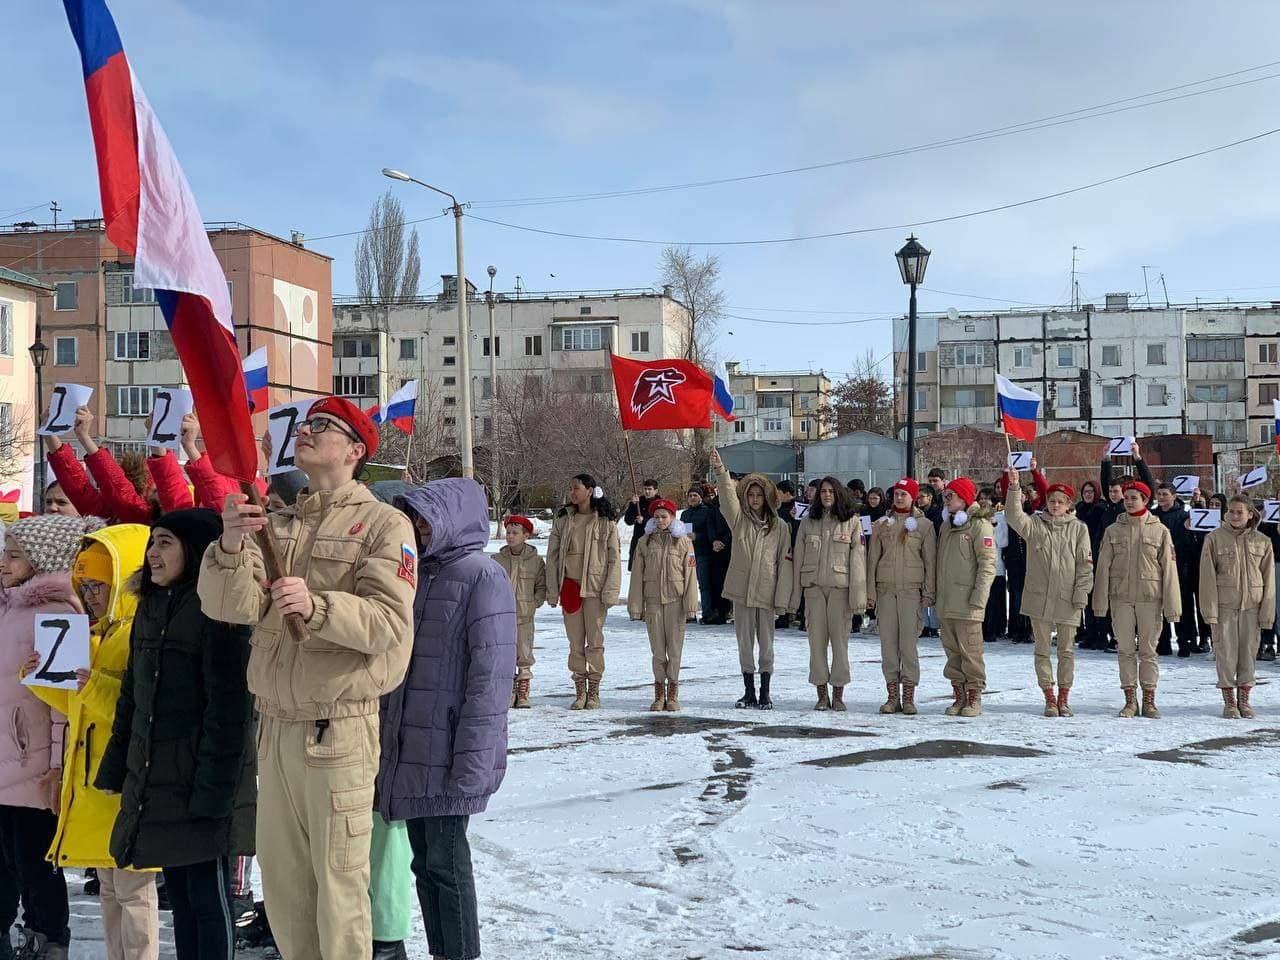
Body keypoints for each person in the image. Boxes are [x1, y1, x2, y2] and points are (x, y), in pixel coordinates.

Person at [198, 396, 416, 960]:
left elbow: (389, 623)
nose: (308, 431)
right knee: (287, 891)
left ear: (354, 450)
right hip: (275, 727)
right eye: (307, 423)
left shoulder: (384, 525)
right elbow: (230, 606)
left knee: (339, 890)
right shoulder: (275, 519)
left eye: (325, 426)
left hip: (337, 730)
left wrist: (318, 606)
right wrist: (228, 543)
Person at [95, 510, 255, 960]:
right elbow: (133, 697)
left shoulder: (218, 612)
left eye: (165, 543)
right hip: (158, 778)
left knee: (209, 899)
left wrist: (214, 794)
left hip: (204, 782)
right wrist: (118, 767)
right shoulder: (151, 606)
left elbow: (230, 712)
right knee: (181, 901)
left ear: (197, 549)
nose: (152, 555)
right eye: (151, 544)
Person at [375, 479, 516, 960]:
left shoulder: (482, 576)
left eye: (424, 519)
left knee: (448, 864)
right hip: (410, 747)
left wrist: (474, 759)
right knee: (424, 864)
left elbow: (491, 677)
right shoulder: (414, 574)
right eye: (412, 519)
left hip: (452, 750)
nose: (415, 529)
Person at [23, 524, 159, 960]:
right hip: (96, 782)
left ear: (125, 578)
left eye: (99, 584)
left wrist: (89, 684)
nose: (92, 594)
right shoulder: (101, 633)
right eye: (86, 585)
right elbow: (81, 703)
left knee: (134, 892)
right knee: (110, 890)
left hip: (125, 783)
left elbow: (137, 707)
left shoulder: (141, 633)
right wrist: (45, 679)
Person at [0, 515, 98, 960]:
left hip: (32, 760)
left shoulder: (59, 611)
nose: (4, 562)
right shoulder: (9, 604)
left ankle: (48, 936)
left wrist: (58, 766)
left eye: (14, 555)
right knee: (5, 855)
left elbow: (65, 703)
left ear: (41, 558)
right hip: (6, 756)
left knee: (34, 857)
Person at [1004, 471, 1093, 718]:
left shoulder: (1078, 529)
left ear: (1068, 505)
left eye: (1060, 502)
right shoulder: (1034, 525)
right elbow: (1013, 516)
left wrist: (1081, 594)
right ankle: (1049, 697)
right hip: (1038, 597)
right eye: (1052, 501)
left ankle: (1064, 697)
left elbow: (1085, 566)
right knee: (1042, 650)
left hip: (1068, 598)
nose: (1055, 505)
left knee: (1066, 651)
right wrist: (1014, 487)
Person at [710, 451, 790, 711]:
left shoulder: (780, 527)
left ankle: (765, 692)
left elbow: (784, 565)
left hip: (767, 593)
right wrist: (721, 471)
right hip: (742, 592)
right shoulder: (739, 521)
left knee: (766, 645)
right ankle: (749, 692)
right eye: (750, 495)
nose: (755, 500)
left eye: (759, 495)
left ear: (767, 497)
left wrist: (781, 600)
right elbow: (726, 499)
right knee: (745, 643)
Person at [1094, 481, 1181, 719]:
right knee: (1125, 650)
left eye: (1135, 498)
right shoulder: (1113, 530)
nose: (1129, 502)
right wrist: (1100, 603)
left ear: (1145, 500)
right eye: (1127, 498)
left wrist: (1173, 606)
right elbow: (1102, 568)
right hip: (1120, 598)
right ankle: (1130, 699)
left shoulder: (1160, 530)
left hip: (1149, 599)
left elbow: (1169, 570)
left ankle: (1149, 700)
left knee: (1148, 651)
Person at [545, 475, 621, 710]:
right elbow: (553, 556)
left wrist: (611, 590)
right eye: (570, 489)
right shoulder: (564, 520)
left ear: (589, 491)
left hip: (595, 589)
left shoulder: (605, 521)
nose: (572, 492)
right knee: (575, 642)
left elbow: (614, 558)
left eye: (576, 488)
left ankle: (594, 690)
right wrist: (552, 590)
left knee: (595, 641)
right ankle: (579, 690)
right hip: (570, 587)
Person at [791, 477, 865, 711]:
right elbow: (797, 560)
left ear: (839, 494)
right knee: (816, 644)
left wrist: (858, 597)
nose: (826, 495)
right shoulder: (807, 522)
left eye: (831, 491)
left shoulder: (851, 522)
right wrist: (794, 596)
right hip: (813, 589)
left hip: (839, 590)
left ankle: (839, 693)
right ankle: (822, 693)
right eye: (823, 491)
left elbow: (858, 561)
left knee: (840, 644)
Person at [1200, 496, 1275, 719]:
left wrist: (1267, 612)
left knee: (1248, 654)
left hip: (1252, 607)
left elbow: (1269, 580)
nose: (1234, 516)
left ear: (1250, 514)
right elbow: (1207, 578)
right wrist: (1209, 610)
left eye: (1239, 512)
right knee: (1226, 654)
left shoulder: (1263, 541)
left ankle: (1245, 698)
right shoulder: (1214, 539)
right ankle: (1229, 701)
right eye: (1231, 511)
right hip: (1225, 607)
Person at [866, 478, 936, 716]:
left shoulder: (924, 526)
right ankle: (892, 695)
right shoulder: (881, 525)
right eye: (896, 494)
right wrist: (870, 592)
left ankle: (908, 696)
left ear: (913, 497)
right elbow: (872, 560)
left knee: (908, 645)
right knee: (888, 646)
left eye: (904, 494)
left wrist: (929, 592)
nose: (899, 498)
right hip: (886, 591)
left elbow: (930, 562)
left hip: (910, 593)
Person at [628, 498, 698, 711]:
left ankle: (673, 694)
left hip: (676, 602)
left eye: (664, 517)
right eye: (656, 517)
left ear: (672, 517)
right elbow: (637, 576)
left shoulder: (684, 541)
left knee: (675, 650)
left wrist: (691, 605)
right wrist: (636, 606)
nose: (660, 520)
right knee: (658, 652)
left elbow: (690, 574)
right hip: (653, 603)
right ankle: (659, 694)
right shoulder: (645, 542)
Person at [935, 478, 997, 718]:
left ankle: (974, 697)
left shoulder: (979, 525)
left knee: (971, 652)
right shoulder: (946, 526)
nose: (946, 499)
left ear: (963, 498)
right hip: (947, 602)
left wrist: (979, 598)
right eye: (946, 496)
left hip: (968, 603)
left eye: (951, 495)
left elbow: (988, 565)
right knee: (953, 653)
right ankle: (958, 695)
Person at [495, 515, 547, 709]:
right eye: (508, 532)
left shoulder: (535, 561)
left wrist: (535, 602)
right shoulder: (497, 560)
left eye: (515, 533)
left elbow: (541, 586)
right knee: (505, 653)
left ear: (526, 535)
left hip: (525, 615)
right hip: (502, 616)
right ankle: (509, 689)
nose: (510, 536)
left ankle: (523, 688)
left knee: (524, 653)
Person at [1151, 482, 1195, 657]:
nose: (1161, 498)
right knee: (1159, 604)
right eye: (1159, 494)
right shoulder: (1153, 516)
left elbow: (1189, 540)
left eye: (1165, 494)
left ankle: (1184, 642)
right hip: (1156, 565)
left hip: (1179, 565)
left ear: (1174, 496)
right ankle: (1163, 643)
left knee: (1180, 604)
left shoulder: (1184, 515)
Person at [680, 486, 730, 625]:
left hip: (703, 553)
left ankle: (708, 612)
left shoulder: (707, 512)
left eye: (695, 495)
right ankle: (689, 612)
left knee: (704, 584)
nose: (692, 498)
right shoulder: (685, 514)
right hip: (688, 553)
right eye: (690, 496)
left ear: (701, 497)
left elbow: (710, 531)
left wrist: (698, 536)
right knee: (688, 583)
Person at [980, 487, 1008, 643]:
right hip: (979, 566)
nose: (984, 501)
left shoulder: (1000, 517)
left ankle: (995, 629)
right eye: (981, 498)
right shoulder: (974, 517)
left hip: (996, 567)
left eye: (987, 498)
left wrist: (995, 524)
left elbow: (1003, 541)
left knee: (995, 602)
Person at [623, 480, 661, 570]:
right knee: (637, 571)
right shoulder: (638, 502)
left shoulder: (660, 504)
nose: (647, 491)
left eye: (650, 489)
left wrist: (644, 521)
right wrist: (632, 505)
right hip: (638, 540)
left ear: (655, 491)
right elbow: (628, 521)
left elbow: (660, 522)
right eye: (645, 489)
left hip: (654, 541)